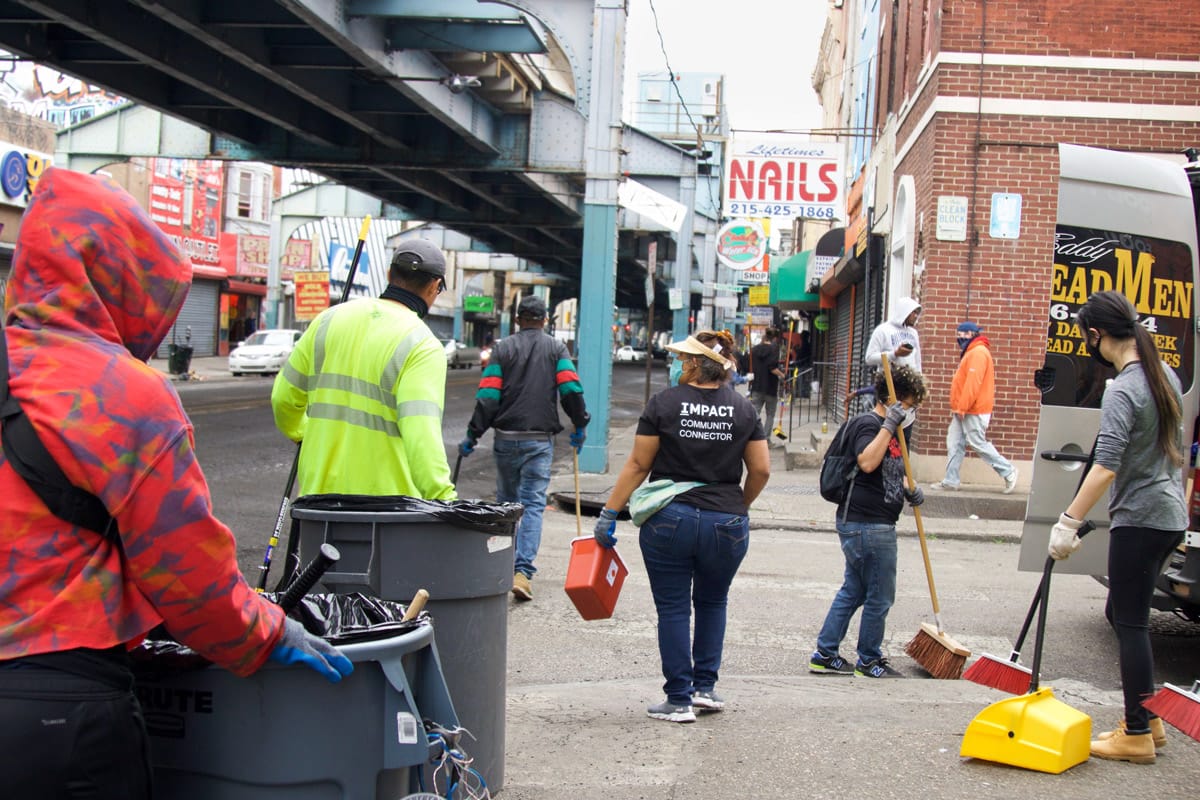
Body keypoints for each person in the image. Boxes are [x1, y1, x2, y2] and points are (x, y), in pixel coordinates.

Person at [0, 168, 352, 798]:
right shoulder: (123, 394)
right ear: (120, 276)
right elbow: (189, 582)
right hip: (59, 712)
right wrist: (267, 632)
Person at [593, 330, 770, 722]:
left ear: (693, 363)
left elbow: (639, 465)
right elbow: (760, 469)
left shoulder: (664, 404)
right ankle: (705, 688)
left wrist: (609, 513)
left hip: (669, 519)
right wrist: (739, 505)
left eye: (682, 359)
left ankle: (678, 699)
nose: (678, 364)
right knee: (713, 602)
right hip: (726, 520)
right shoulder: (743, 410)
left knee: (673, 608)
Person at [1049, 291, 1186, 764]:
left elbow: (1105, 466)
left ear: (1096, 334)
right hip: (1170, 517)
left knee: (1130, 622)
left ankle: (1136, 734)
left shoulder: (1124, 388)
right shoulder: (1164, 373)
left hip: (1143, 519)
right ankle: (1149, 718)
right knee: (1123, 616)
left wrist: (1068, 521)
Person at [272, 238, 456, 500]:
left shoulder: (327, 320)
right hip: (385, 510)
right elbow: (421, 437)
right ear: (435, 286)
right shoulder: (422, 345)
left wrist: (299, 433)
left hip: (318, 501)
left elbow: (283, 399)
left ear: (389, 274)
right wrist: (444, 498)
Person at [459, 295, 589, 601]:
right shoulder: (556, 348)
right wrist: (580, 424)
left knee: (506, 505)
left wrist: (472, 435)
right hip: (538, 441)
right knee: (531, 505)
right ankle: (522, 572)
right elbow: (571, 390)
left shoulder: (502, 349)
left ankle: (502, 567)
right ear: (545, 321)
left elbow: (488, 398)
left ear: (518, 320)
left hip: (506, 438)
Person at [809, 364, 929, 679]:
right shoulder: (869, 424)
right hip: (867, 523)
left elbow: (891, 469)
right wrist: (888, 424)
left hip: (873, 520)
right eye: (910, 403)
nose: (913, 409)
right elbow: (867, 461)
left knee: (855, 589)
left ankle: (825, 653)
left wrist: (909, 490)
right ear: (896, 399)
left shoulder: (896, 428)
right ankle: (869, 660)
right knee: (880, 593)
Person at [930, 321, 1019, 493]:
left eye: (964, 333)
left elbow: (973, 383)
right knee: (955, 443)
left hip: (972, 409)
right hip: (966, 409)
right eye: (959, 333)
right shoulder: (973, 351)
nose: (960, 337)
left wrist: (962, 407)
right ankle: (950, 480)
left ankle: (1008, 471)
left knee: (977, 442)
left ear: (973, 334)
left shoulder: (977, 353)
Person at [749, 327, 787, 434]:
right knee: (770, 414)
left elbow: (749, 366)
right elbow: (772, 368)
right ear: (774, 338)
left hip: (757, 386)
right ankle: (765, 439)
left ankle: (752, 436)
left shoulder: (755, 349)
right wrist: (783, 375)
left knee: (755, 412)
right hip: (770, 387)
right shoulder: (774, 349)